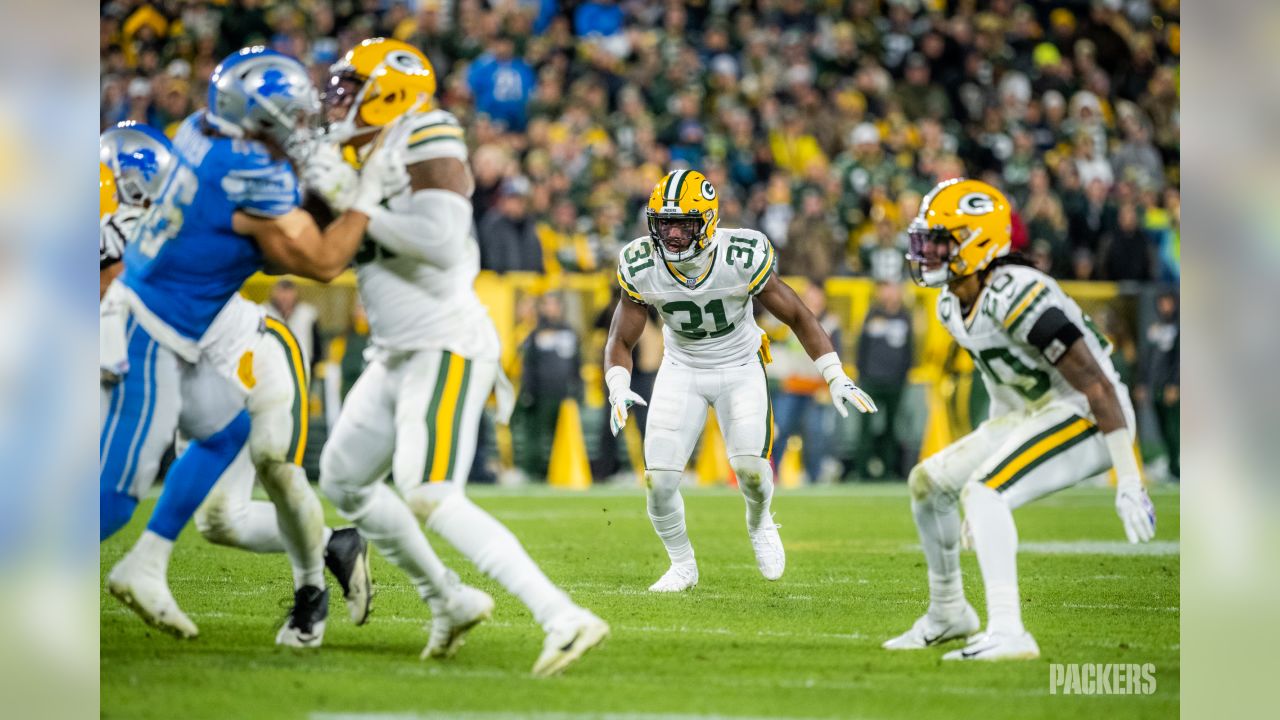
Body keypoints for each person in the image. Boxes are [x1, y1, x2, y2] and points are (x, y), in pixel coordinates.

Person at [308, 38, 607, 675]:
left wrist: (360, 205)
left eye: (351, 87)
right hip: (396, 352)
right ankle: (447, 598)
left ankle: (562, 615)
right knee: (342, 480)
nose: (338, 99)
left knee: (430, 491)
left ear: (387, 93)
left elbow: (443, 242)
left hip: (445, 341)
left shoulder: (424, 129)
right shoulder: (350, 149)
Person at [101, 47, 387, 643]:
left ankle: (301, 587)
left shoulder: (198, 132)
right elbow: (324, 259)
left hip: (229, 346)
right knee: (113, 501)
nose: (299, 125)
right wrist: (363, 191)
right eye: (288, 114)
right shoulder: (245, 173)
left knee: (250, 455)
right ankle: (132, 562)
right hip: (163, 337)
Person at [885, 178, 1156, 661]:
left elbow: (1097, 382)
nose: (926, 251)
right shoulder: (952, 303)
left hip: (1087, 412)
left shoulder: (1018, 292)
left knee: (984, 494)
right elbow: (1001, 389)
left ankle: (1010, 632)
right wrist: (989, 447)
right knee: (929, 482)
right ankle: (949, 612)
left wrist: (1128, 477)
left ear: (978, 241)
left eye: (940, 240)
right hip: (1033, 410)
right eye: (925, 240)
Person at [604, 169, 878, 593]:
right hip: (681, 369)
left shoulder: (741, 254)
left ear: (709, 222)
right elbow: (621, 335)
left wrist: (835, 374)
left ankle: (760, 519)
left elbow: (799, 315)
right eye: (665, 223)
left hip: (740, 365)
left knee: (751, 471)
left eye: (684, 223)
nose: (673, 234)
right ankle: (682, 565)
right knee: (659, 481)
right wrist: (618, 385)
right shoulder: (642, 264)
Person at [515, 293, 582, 479]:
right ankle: (532, 472)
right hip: (541, 392)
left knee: (560, 435)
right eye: (547, 305)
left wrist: (578, 390)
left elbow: (577, 364)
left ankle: (556, 472)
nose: (551, 309)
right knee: (535, 435)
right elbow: (528, 365)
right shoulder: (535, 332)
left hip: (564, 393)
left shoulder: (570, 331)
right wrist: (528, 391)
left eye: (554, 304)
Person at [854, 281, 914, 479]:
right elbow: (861, 347)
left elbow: (910, 350)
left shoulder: (905, 317)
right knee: (865, 429)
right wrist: (862, 375)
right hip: (871, 380)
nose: (889, 293)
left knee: (891, 428)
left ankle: (888, 470)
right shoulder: (872, 314)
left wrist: (903, 375)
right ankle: (862, 471)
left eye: (892, 288)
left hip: (895, 382)